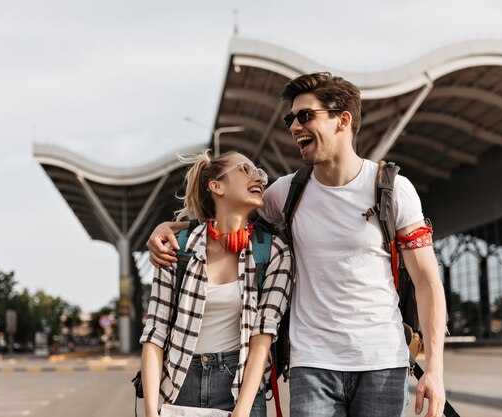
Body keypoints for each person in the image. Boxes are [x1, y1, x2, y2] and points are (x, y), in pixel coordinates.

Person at [147, 72, 446, 417]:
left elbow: (427, 282)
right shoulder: (286, 192)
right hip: (312, 364)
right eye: (291, 118)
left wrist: (435, 370)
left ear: (342, 120)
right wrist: (169, 227)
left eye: (305, 115)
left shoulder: (393, 189)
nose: (293, 126)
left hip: (382, 362)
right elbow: (228, 222)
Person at [140, 150, 293, 417]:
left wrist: (242, 411)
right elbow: (155, 332)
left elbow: (263, 336)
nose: (258, 176)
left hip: (240, 387)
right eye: (245, 169)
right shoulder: (178, 248)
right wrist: (152, 413)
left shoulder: (273, 252)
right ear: (216, 186)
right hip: (178, 384)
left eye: (260, 172)